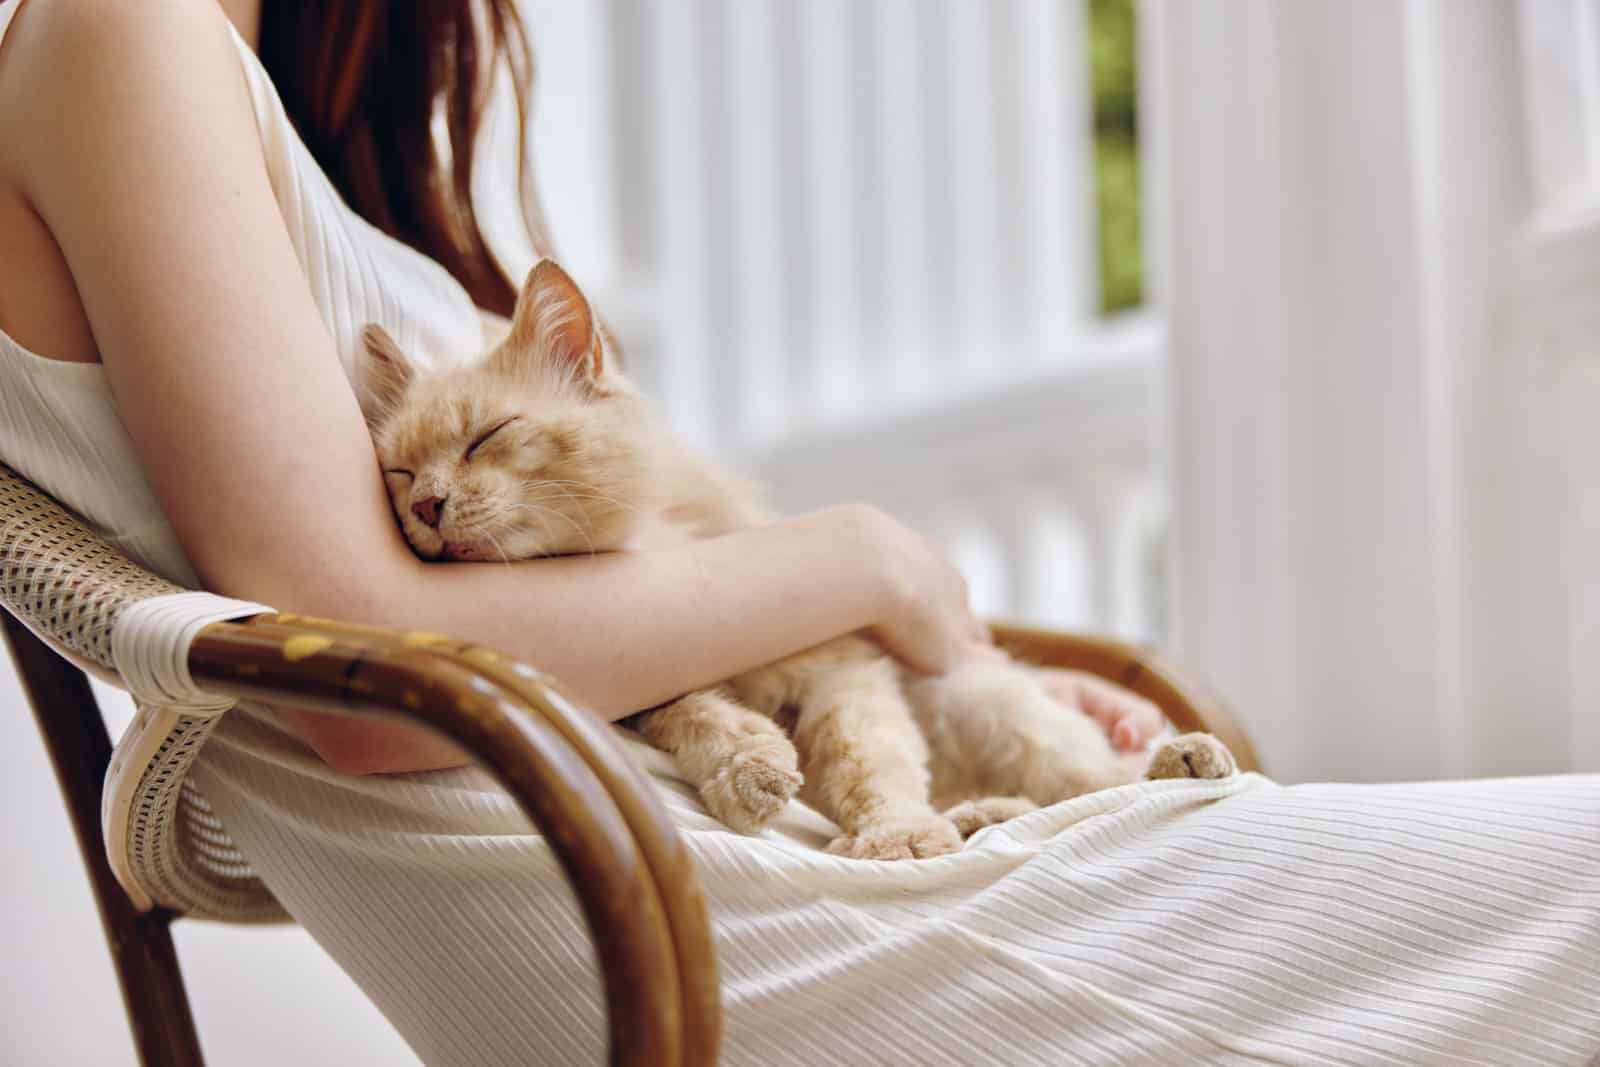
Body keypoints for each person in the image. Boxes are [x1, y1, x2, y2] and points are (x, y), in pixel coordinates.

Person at [1, 2, 1595, 1065]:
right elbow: (357, 659)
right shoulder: (115, 33)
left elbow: (591, 585)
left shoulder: (273, 120)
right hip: (712, 921)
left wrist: (967, 702)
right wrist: (868, 564)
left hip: (775, 845)